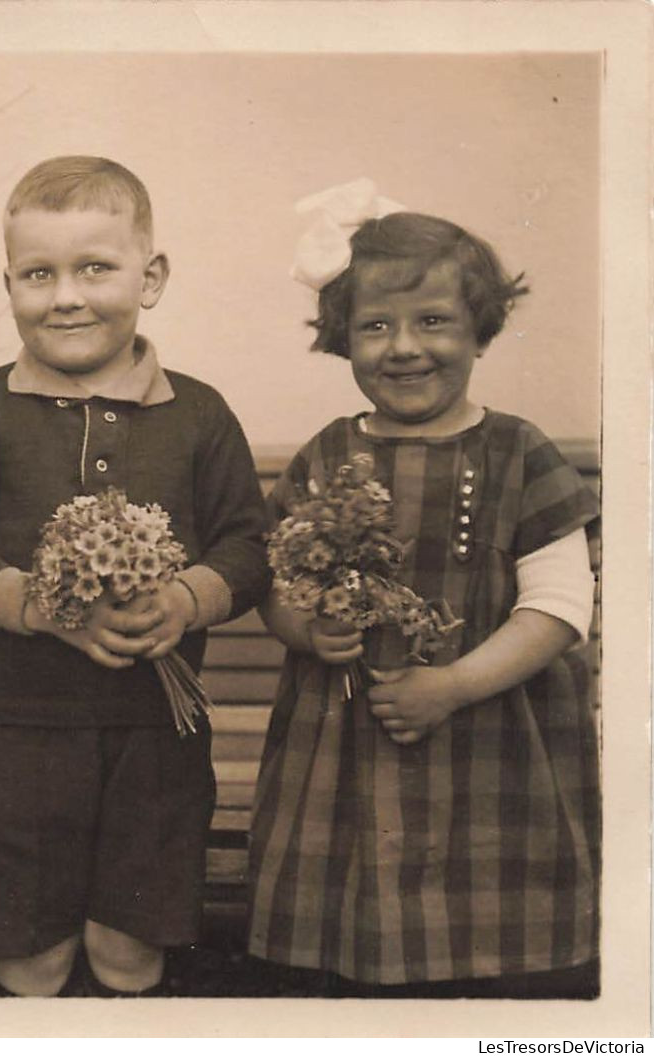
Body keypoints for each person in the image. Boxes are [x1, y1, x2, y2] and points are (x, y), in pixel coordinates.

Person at [0, 156, 271, 997]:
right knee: (29, 959)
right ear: (7, 284)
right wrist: (39, 608)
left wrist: (184, 601)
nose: (65, 296)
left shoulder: (198, 412)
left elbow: (247, 548)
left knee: (127, 951)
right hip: (12, 731)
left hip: (155, 736)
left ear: (149, 278)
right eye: (37, 274)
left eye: (94, 269)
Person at [246, 183, 600, 998]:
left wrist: (453, 685)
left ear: (480, 327)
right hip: (344, 742)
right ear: (343, 339)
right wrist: (304, 630)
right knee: (353, 934)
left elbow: (557, 606)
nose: (402, 347)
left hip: (491, 741)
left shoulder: (518, 452)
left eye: (432, 321)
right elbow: (274, 579)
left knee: (492, 944)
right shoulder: (326, 454)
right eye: (375, 326)